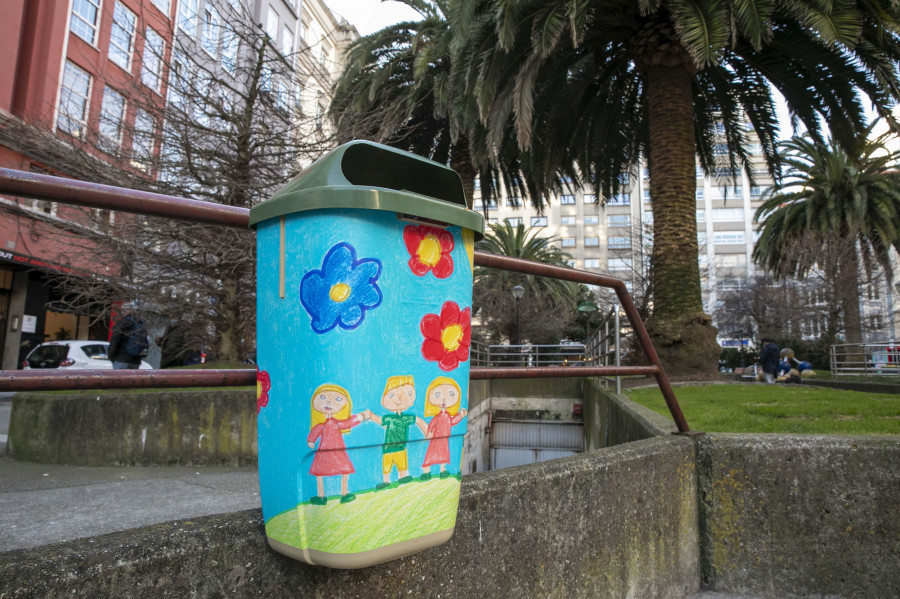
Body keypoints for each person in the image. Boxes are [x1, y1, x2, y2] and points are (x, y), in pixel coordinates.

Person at [307, 383, 370, 505]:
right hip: (325, 452)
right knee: (320, 472)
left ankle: (344, 494)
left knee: (343, 471)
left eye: (337, 399)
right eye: (323, 398)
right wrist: (311, 440)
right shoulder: (323, 425)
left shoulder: (336, 423)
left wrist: (361, 417)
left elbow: (347, 423)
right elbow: (316, 430)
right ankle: (322, 496)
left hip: (336, 451)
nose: (329, 402)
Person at [368, 376, 427, 490]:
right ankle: (386, 481)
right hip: (388, 448)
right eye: (392, 395)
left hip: (401, 447)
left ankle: (403, 477)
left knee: (402, 464)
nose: (399, 398)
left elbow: (418, 421)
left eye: (407, 393)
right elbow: (380, 421)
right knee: (387, 466)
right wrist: (371, 415)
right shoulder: (389, 418)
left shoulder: (406, 418)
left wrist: (427, 431)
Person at [420, 377, 467, 480]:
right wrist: (430, 432)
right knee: (431, 455)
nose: (444, 399)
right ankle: (427, 472)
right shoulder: (438, 416)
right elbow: (432, 424)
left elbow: (453, 422)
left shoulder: (447, 416)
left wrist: (461, 416)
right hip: (436, 438)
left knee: (444, 456)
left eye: (451, 394)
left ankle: (442, 471)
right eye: (437, 395)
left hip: (444, 439)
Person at [108, 303, 148, 370]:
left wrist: (112, 357)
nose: (123, 312)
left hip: (121, 359)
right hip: (136, 361)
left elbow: (114, 341)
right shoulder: (140, 323)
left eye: (124, 310)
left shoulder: (122, 323)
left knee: (119, 380)